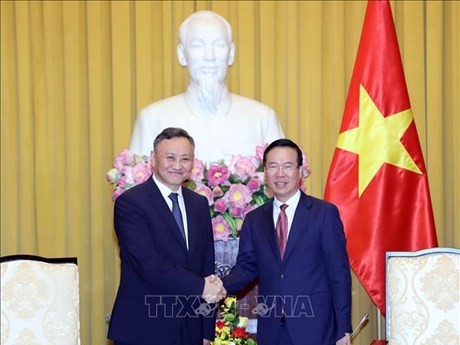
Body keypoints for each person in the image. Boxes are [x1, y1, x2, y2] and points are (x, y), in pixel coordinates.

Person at [221, 139, 352, 345]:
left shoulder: (324, 213)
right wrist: (218, 285)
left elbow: (339, 273)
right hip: (272, 329)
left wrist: (343, 328)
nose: (280, 174)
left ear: (300, 171)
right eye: (273, 166)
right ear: (265, 174)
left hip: (316, 327)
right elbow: (247, 267)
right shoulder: (254, 219)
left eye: (287, 166)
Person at [108, 127, 226, 345]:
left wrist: (206, 330)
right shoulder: (131, 203)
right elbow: (148, 263)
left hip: (190, 328)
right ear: (153, 158)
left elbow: (206, 266)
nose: (178, 165)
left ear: (193, 162)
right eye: (170, 157)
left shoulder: (198, 204)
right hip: (144, 327)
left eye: (185, 159)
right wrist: (201, 287)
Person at [129, 10, 284, 163]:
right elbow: (137, 185)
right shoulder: (152, 119)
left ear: (231, 54)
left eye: (219, 45)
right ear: (182, 54)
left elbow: (284, 181)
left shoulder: (262, 119)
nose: (209, 56)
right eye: (198, 45)